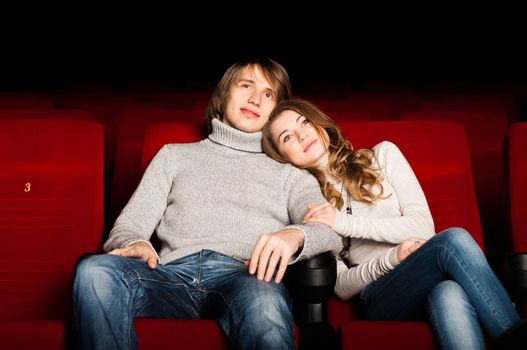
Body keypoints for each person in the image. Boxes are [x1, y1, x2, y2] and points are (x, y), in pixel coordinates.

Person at [73, 59, 343, 350]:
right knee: (94, 271)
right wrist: (135, 241)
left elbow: (330, 232)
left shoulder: (291, 174)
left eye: (268, 94)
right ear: (225, 92)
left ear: (274, 111)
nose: (255, 99)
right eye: (246, 86)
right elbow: (128, 226)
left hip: (246, 277)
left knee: (265, 302)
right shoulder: (173, 156)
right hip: (168, 276)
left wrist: (295, 235)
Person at [261, 98, 527, 350]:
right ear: (281, 156)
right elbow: (340, 286)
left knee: (448, 292)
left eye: (304, 122)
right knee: (454, 239)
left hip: (427, 276)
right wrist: (392, 258)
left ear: (319, 123)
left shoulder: (382, 155)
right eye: (287, 137)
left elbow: (422, 228)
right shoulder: (307, 204)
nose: (302, 135)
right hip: (379, 296)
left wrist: (343, 222)